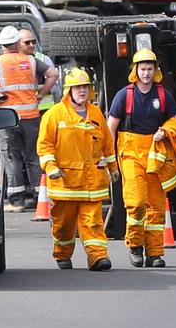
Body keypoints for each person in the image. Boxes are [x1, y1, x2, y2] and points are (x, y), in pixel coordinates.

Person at [0, 25, 58, 212]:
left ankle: (16, 200)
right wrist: (41, 93)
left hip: (7, 118)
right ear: (17, 43)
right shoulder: (31, 61)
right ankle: (38, 196)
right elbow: (53, 74)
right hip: (31, 116)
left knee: (12, 157)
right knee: (34, 157)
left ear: (2, 45)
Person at [106, 49, 176, 268]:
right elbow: (111, 127)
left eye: (150, 69)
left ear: (155, 70)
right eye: (142, 69)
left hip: (156, 154)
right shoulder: (124, 95)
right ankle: (135, 246)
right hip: (130, 153)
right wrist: (109, 158)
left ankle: (155, 253)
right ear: (135, 71)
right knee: (136, 202)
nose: (146, 73)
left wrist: (165, 131)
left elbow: (174, 122)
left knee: (156, 205)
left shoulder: (164, 95)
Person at [37, 69, 117, 271]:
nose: (82, 91)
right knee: (64, 226)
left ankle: (98, 257)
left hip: (92, 184)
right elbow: (44, 146)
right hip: (66, 183)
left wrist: (113, 168)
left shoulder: (96, 113)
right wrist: (51, 167)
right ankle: (63, 254)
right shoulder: (54, 115)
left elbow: (107, 145)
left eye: (85, 87)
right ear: (68, 91)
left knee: (93, 223)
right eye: (78, 87)